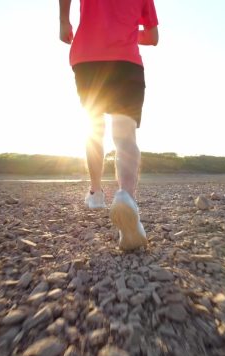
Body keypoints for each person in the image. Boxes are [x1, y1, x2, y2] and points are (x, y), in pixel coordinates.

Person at [58, 0, 159, 251]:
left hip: (87, 58)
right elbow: (153, 36)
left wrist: (63, 22)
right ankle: (126, 196)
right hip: (126, 61)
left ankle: (96, 193)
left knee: (94, 128)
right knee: (124, 135)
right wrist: (128, 32)